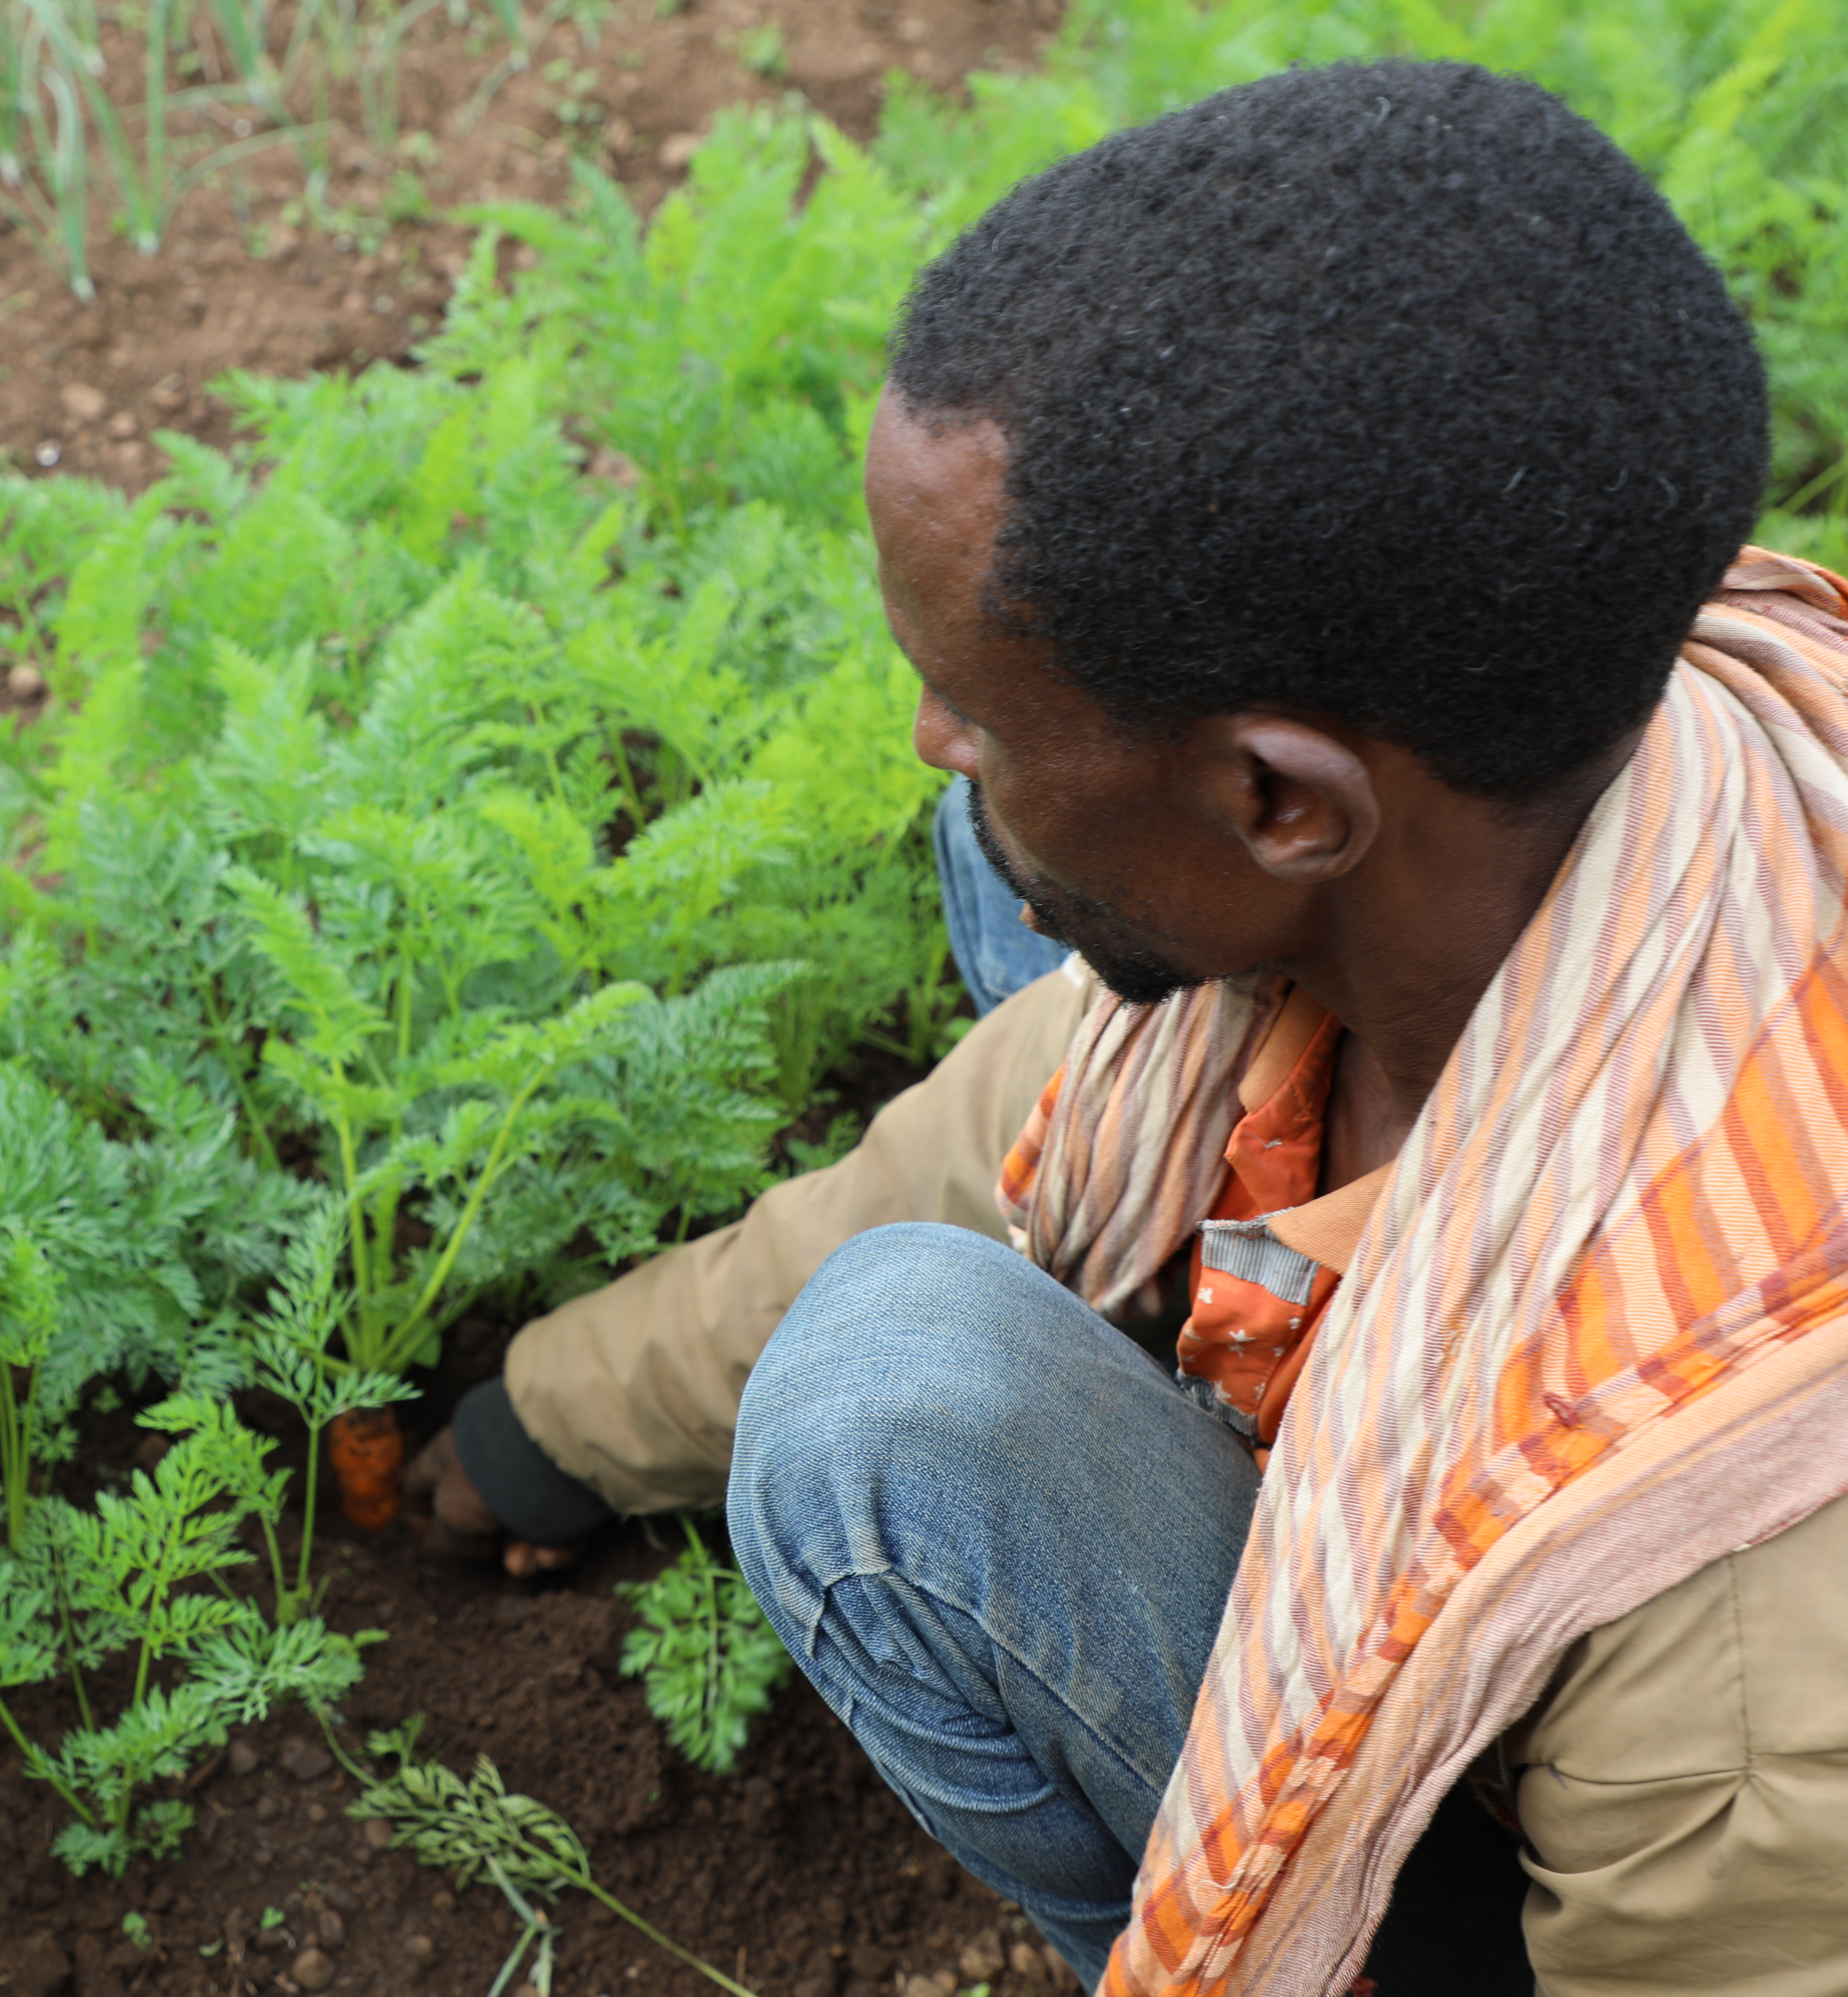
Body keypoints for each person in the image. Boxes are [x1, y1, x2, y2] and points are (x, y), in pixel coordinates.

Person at [409, 60, 1848, 1997]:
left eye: (973, 702)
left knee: (885, 1406)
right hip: (1375, 906)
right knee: (1014, 852)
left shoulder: (1730, 1611)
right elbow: (982, 1134)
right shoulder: (1596, 763)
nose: (933, 730)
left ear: (1284, 806)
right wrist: (544, 1429)